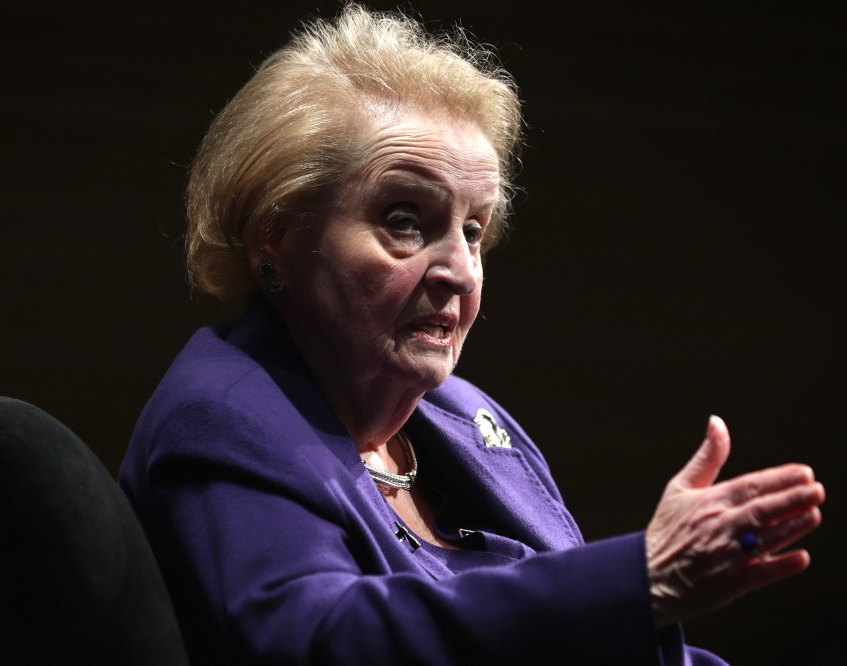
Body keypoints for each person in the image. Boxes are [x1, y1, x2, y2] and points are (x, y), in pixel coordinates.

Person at [119, 5, 824, 664]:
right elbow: (319, 639)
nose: (460, 270)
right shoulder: (223, 420)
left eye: (474, 230)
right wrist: (637, 581)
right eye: (405, 220)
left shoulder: (467, 415)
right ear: (274, 238)